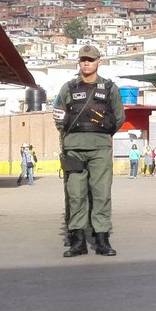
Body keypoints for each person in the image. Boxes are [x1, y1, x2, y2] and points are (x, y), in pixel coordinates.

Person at [53, 44, 125, 257]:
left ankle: (102, 238)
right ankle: (77, 240)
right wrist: (67, 137)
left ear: (98, 62)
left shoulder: (110, 88)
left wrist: (103, 134)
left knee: (101, 193)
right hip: (74, 148)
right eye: (83, 59)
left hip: (100, 148)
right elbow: (58, 114)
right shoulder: (68, 87)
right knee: (76, 194)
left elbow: (119, 117)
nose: (86, 63)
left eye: (90, 59)